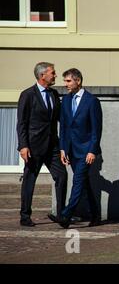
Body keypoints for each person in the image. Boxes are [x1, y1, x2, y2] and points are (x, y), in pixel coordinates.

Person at [16, 62, 68, 227]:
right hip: (33, 146)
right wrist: (23, 146)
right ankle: (25, 216)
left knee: (62, 176)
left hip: (52, 146)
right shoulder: (28, 95)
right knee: (30, 180)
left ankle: (61, 215)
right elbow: (21, 123)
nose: (55, 76)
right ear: (42, 75)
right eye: (53, 73)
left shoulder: (53, 94)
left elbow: (60, 118)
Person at [57, 68, 103, 228]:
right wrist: (63, 148)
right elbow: (63, 126)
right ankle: (96, 216)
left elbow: (97, 129)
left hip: (86, 151)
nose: (66, 85)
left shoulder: (91, 101)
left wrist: (92, 150)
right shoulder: (66, 100)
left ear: (78, 81)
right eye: (65, 81)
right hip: (71, 150)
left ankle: (66, 215)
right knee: (84, 183)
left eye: (68, 81)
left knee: (77, 181)